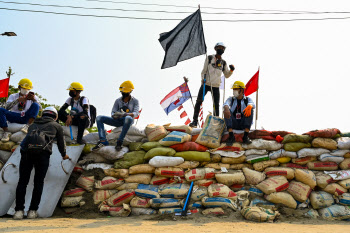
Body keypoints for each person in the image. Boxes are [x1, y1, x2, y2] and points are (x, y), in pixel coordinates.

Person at [13, 107, 69, 220]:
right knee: (38, 182)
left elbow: (26, 140)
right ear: (55, 116)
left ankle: (18, 211)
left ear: (43, 114)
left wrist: (21, 150)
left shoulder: (33, 124)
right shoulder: (56, 126)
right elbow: (61, 143)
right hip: (42, 155)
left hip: (27, 154)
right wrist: (64, 154)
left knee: (22, 182)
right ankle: (32, 211)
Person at [189, 42, 235, 128]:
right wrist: (203, 80)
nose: (220, 49)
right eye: (219, 48)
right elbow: (204, 71)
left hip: (216, 86)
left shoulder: (223, 63)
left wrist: (231, 70)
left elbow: (226, 75)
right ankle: (195, 121)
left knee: (216, 104)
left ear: (224, 50)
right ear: (215, 49)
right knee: (199, 101)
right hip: (206, 84)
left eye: (222, 48)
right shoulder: (209, 58)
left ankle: (216, 123)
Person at [92, 81, 139, 151]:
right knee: (99, 118)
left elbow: (136, 113)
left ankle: (120, 141)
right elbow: (113, 112)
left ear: (130, 91)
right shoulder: (118, 101)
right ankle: (103, 140)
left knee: (128, 118)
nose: (123, 93)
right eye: (122, 92)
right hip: (118, 120)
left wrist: (125, 114)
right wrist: (115, 115)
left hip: (128, 121)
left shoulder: (135, 101)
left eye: (125, 92)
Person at [223, 81, 255, 145]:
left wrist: (250, 106)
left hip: (243, 123)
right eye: (233, 89)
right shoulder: (231, 99)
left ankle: (245, 136)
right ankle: (231, 136)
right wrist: (226, 108)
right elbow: (226, 103)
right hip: (234, 123)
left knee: (250, 110)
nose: (234, 91)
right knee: (226, 111)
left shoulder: (247, 99)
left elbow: (252, 104)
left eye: (236, 89)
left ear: (242, 90)